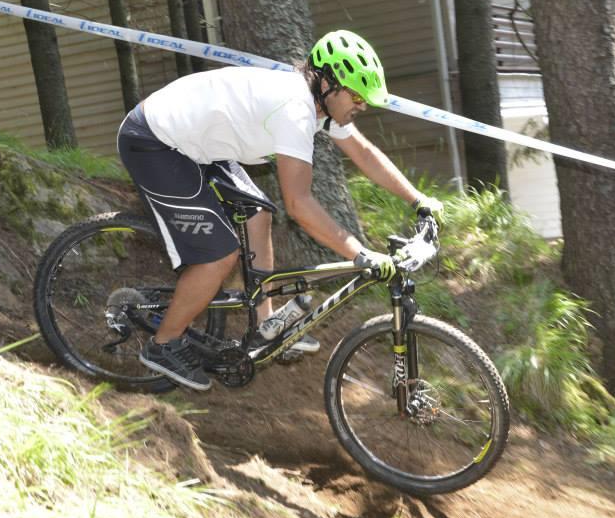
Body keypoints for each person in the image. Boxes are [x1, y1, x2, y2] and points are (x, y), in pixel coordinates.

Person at [116, 29, 444, 391]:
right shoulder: (295, 110)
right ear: (328, 84)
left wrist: (418, 199)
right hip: (154, 141)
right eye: (356, 96)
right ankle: (163, 344)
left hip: (197, 144)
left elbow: (364, 154)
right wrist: (359, 253)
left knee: (259, 213)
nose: (361, 106)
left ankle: (263, 326)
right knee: (219, 257)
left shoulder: (321, 106)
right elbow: (299, 204)